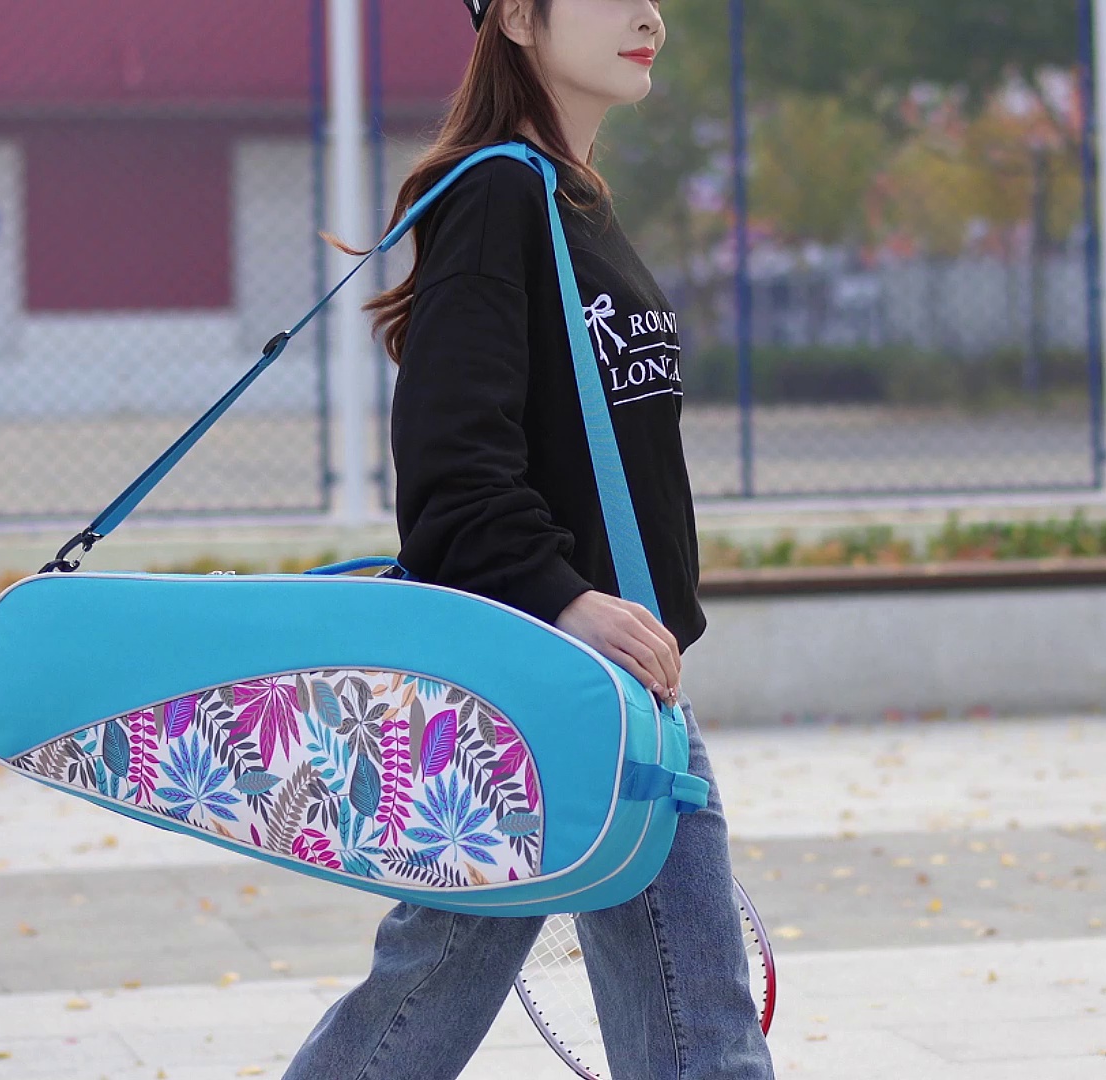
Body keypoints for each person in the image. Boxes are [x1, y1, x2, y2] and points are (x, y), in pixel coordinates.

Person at [281, 1, 775, 1078]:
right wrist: (566, 597)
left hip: (611, 688)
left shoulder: (566, 197)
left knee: (673, 1029)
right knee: (673, 1032)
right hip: (547, 686)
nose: (647, 14)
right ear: (514, 16)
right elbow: (451, 467)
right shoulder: (499, 193)